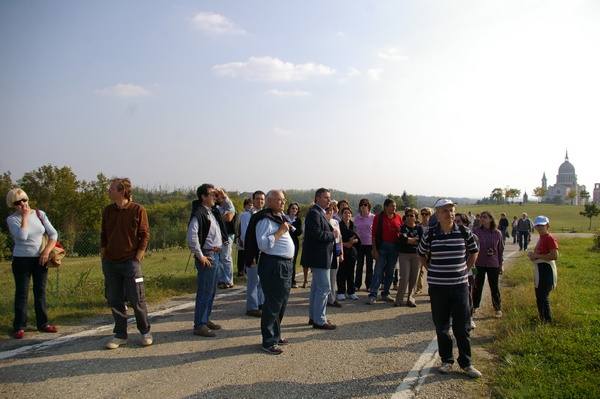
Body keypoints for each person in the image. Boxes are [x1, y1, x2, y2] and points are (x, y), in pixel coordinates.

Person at [417, 199, 482, 379]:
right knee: (442, 326)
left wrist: (466, 269)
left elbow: (474, 251)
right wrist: (432, 269)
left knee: (462, 326)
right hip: (438, 287)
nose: (449, 213)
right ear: (437, 214)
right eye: (445, 211)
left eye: (451, 210)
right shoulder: (430, 234)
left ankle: (466, 363)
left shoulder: (464, 232)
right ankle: (446, 360)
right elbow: (421, 254)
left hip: (460, 286)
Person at [101, 178, 152, 349]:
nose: (109, 191)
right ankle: (120, 334)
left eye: (112, 188)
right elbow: (103, 233)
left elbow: (144, 234)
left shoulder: (138, 210)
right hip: (110, 262)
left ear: (122, 191)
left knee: (137, 299)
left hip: (130, 262)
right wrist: (103, 251)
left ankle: (145, 331)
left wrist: (138, 256)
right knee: (115, 300)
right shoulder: (108, 210)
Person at [244, 190, 295, 354]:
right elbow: (262, 244)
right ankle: (268, 341)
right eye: (280, 200)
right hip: (274, 264)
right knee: (273, 304)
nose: (283, 203)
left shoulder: (278, 217)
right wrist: (280, 232)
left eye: (284, 200)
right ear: (270, 201)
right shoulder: (265, 219)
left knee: (281, 303)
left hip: (284, 264)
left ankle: (276, 335)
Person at [6, 188, 59, 339]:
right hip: (21, 259)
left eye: (24, 200)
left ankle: (43, 323)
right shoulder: (12, 219)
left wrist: (46, 251)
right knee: (22, 293)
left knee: (40, 292)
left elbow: (53, 233)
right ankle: (19, 326)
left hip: (40, 258)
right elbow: (22, 237)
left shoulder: (39, 214)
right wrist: (23, 217)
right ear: (13, 205)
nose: (23, 204)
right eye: (18, 202)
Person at [186, 183, 229, 337]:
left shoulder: (213, 211)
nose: (215, 197)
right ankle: (199, 324)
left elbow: (230, 211)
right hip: (208, 255)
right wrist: (200, 255)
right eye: (212, 194)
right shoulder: (199, 213)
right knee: (205, 291)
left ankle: (205, 319)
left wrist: (223, 196)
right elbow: (192, 236)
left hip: (216, 254)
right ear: (203, 197)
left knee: (211, 291)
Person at [301, 188, 337, 330]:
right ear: (317, 199)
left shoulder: (319, 213)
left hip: (321, 256)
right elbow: (316, 234)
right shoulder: (314, 214)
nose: (329, 200)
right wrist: (332, 235)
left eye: (329, 197)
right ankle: (319, 320)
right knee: (324, 288)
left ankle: (314, 317)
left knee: (316, 288)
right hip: (319, 257)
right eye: (326, 197)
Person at [367, 198, 402, 304]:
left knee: (390, 272)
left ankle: (386, 293)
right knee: (378, 271)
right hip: (382, 247)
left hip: (394, 248)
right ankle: (373, 294)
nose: (394, 208)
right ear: (385, 207)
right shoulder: (379, 217)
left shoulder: (398, 217)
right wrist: (374, 249)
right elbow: (373, 235)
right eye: (392, 206)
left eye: (395, 206)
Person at [472, 211, 505, 318]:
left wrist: (501, 264)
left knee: (494, 286)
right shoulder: (476, 231)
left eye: (485, 217)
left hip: (493, 263)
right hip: (479, 263)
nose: (482, 219)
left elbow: (500, 250)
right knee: (477, 285)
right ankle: (474, 306)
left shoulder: (497, 233)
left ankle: (497, 308)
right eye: (481, 217)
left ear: (491, 219)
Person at [527, 216, 559, 323]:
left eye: (542, 225)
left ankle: (547, 320)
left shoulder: (549, 238)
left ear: (547, 226)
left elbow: (555, 255)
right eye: (538, 226)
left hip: (546, 268)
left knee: (543, 295)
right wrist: (534, 255)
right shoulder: (542, 238)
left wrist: (538, 256)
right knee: (539, 294)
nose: (540, 228)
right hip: (540, 268)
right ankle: (543, 318)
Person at [240, 190, 266, 317]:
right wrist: (250, 254)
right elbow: (246, 236)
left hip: (264, 251)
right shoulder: (247, 215)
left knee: (262, 280)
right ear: (253, 200)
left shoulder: (265, 214)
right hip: (253, 251)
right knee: (253, 280)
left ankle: (260, 303)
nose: (260, 201)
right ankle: (251, 306)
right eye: (257, 199)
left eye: (262, 199)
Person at [394, 208, 423, 307]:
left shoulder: (419, 228)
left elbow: (421, 241)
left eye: (412, 215)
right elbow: (403, 240)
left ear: (416, 217)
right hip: (404, 254)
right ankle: (399, 299)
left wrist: (410, 240)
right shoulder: (403, 228)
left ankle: (411, 298)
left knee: (414, 277)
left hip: (416, 255)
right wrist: (415, 239)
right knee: (404, 277)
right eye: (408, 215)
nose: (409, 217)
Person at [455, 213, 477, 329]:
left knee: (467, 294)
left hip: (467, 269)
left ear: (465, 223)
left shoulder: (472, 236)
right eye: (455, 221)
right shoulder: (452, 235)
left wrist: (466, 268)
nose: (456, 224)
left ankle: (469, 318)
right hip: (455, 271)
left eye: (458, 221)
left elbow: (475, 253)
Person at [215, 189, 236, 289]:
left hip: (227, 234)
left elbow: (228, 218)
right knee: (219, 258)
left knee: (226, 257)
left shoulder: (230, 205)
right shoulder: (215, 206)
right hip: (217, 235)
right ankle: (221, 279)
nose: (219, 198)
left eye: (221, 196)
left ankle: (229, 280)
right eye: (217, 196)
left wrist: (216, 217)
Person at [337, 207, 359, 301]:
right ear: (341, 215)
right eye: (345, 213)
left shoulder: (354, 225)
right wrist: (345, 244)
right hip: (342, 251)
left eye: (349, 213)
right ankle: (341, 292)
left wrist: (354, 240)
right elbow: (337, 239)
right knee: (341, 272)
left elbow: (358, 238)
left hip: (352, 251)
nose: (347, 215)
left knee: (350, 272)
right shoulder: (338, 225)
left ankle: (351, 292)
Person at [354, 198, 375, 292]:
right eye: (361, 205)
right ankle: (357, 284)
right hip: (359, 245)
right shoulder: (356, 218)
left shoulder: (373, 217)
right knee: (359, 265)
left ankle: (369, 285)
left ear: (369, 207)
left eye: (365, 205)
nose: (363, 207)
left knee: (369, 266)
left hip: (370, 244)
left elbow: (375, 232)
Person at [326, 205, 343, 308]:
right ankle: (326, 299)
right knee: (324, 278)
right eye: (327, 211)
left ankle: (332, 298)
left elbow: (339, 238)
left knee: (333, 277)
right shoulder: (322, 222)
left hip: (335, 251)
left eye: (331, 210)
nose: (330, 212)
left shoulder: (336, 222)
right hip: (326, 253)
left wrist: (341, 253)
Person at [285, 202, 303, 288]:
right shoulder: (284, 218)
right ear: (289, 209)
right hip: (285, 243)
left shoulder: (298, 220)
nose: (294, 210)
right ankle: (285, 280)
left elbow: (299, 233)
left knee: (293, 262)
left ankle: (292, 281)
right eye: (293, 208)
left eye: (296, 209)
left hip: (294, 243)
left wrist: (291, 227)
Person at [415, 207, 433, 294]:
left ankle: (431, 288)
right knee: (420, 270)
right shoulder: (418, 227)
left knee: (432, 270)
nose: (424, 216)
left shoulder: (433, 227)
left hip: (431, 251)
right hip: (421, 250)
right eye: (422, 214)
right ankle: (419, 288)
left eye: (426, 214)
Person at [236, 198, 253, 277]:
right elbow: (239, 226)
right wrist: (239, 237)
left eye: (251, 205)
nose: (250, 207)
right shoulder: (242, 214)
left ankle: (246, 270)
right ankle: (240, 270)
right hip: (241, 237)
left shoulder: (252, 214)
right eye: (248, 205)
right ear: (245, 206)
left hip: (249, 238)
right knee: (241, 255)